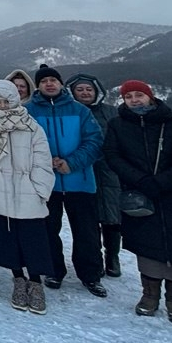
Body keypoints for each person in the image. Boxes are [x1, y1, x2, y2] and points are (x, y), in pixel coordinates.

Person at [102, 79, 172, 324]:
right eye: (129, 97)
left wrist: (163, 181)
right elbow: (112, 156)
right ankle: (149, 295)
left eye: (138, 95)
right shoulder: (118, 126)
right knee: (148, 247)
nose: (134, 100)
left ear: (150, 97)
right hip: (140, 195)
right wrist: (140, 180)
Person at [26, 64, 107, 297]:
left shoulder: (80, 110)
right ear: (38, 86)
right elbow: (23, 143)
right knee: (48, 229)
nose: (49, 84)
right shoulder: (29, 111)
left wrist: (71, 162)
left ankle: (91, 274)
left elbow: (95, 141)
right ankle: (53, 270)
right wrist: (45, 161)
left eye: (53, 80)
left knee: (87, 232)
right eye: (44, 81)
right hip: (45, 182)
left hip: (80, 180)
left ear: (61, 84)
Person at [0, 80, 56, 315]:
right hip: (0, 191)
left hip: (28, 190)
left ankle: (36, 283)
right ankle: (18, 279)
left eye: (6, 101)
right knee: (8, 240)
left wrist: (40, 189)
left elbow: (42, 160)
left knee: (33, 240)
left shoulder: (30, 126)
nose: (2, 106)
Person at [67, 72, 124, 278]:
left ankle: (112, 256)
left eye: (89, 89)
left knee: (112, 217)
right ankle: (95, 259)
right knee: (88, 221)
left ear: (97, 91)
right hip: (82, 169)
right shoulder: (70, 112)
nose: (85, 93)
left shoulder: (111, 112)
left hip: (109, 169)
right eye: (80, 89)